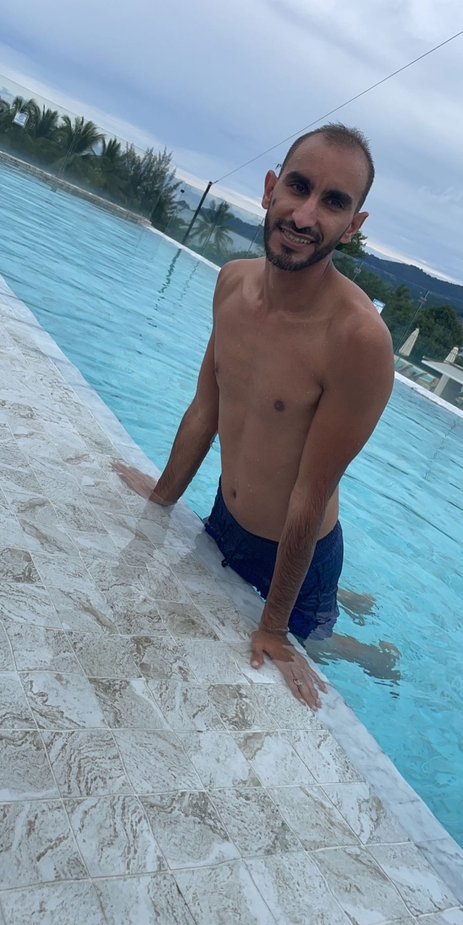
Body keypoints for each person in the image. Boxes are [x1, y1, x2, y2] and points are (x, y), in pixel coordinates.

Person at [115, 123, 394, 709]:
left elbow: (310, 492)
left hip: (298, 553)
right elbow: (206, 408)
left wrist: (273, 626)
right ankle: (348, 598)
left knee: (315, 645)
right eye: (299, 186)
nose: (304, 215)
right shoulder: (231, 282)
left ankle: (368, 649)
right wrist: (162, 496)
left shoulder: (357, 340)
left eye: (333, 202)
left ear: (353, 226)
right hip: (226, 515)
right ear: (270, 188)